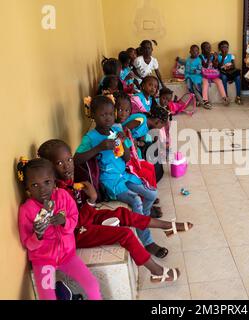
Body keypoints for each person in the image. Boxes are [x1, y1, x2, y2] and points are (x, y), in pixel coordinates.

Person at [38, 139, 193, 283]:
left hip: (82, 217)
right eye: (59, 163)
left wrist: (88, 202)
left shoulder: (66, 182)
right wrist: (91, 201)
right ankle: (157, 272)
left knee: (121, 213)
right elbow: (75, 223)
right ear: (49, 168)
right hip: (73, 233)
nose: (67, 166)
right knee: (125, 234)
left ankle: (166, 226)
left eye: (69, 159)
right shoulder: (56, 193)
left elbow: (78, 211)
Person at [74, 95, 168, 258]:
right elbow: (76, 159)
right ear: (93, 116)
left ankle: (143, 218)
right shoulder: (90, 138)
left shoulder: (116, 130)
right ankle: (147, 242)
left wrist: (122, 144)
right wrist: (98, 148)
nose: (108, 118)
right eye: (103, 115)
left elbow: (126, 158)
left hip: (124, 175)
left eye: (111, 113)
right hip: (109, 181)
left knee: (152, 193)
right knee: (136, 200)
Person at [17, 158, 102, 300]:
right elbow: (27, 243)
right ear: (27, 187)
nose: (42, 189)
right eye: (34, 185)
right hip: (43, 261)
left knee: (92, 285)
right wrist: (37, 235)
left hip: (68, 256)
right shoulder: (27, 210)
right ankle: (64, 293)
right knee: (48, 297)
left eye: (47, 182)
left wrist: (64, 222)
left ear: (54, 181)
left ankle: (65, 293)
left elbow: (74, 218)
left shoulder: (63, 196)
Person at [200, 41, 229, 109]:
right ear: (202, 49)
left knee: (219, 81)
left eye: (209, 47)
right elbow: (205, 65)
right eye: (206, 48)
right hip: (205, 74)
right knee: (205, 83)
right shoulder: (200, 56)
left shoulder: (212, 55)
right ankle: (205, 100)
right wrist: (209, 58)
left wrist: (215, 58)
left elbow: (216, 67)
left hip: (212, 73)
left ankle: (224, 97)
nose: (209, 49)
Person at [218, 40, 242, 105]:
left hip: (230, 72)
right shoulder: (218, 56)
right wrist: (223, 57)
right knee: (224, 77)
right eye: (223, 47)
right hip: (223, 72)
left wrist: (230, 66)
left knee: (238, 77)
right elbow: (219, 67)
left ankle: (238, 96)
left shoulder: (231, 56)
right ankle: (225, 97)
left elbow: (234, 65)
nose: (225, 49)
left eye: (227, 47)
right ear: (220, 48)